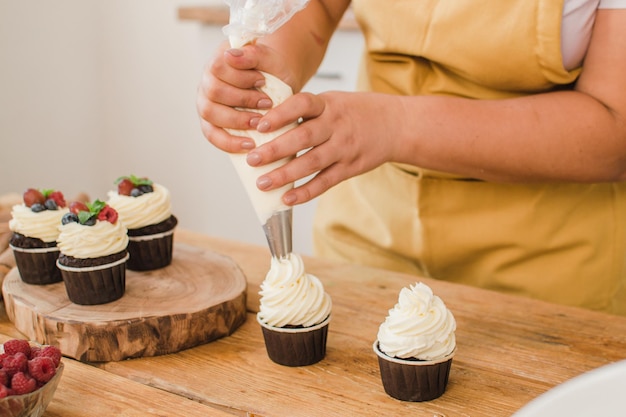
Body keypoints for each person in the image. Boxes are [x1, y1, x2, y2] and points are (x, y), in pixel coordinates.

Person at [197, 1, 626, 316]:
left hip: (547, 282)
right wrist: (269, 65)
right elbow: (323, 6)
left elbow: (615, 129)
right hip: (367, 245)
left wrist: (396, 125)